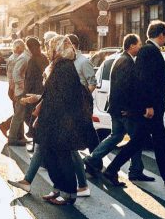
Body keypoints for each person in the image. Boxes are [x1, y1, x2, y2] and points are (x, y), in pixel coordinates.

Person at [103, 21, 165, 187]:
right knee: (148, 141)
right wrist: (149, 105)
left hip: (152, 105)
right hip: (151, 107)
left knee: (152, 141)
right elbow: (145, 80)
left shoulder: (148, 50)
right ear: (161, 35)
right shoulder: (149, 51)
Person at [31, 37, 99, 205]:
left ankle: (68, 193)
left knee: (63, 157)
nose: (48, 49)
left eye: (50, 46)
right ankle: (58, 189)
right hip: (53, 119)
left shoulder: (65, 67)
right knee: (51, 156)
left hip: (61, 121)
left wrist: (47, 115)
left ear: (57, 48)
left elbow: (64, 97)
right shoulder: (58, 66)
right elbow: (51, 94)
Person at [85, 34, 149, 181]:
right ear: (132, 46)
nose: (140, 47)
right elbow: (124, 87)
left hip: (116, 107)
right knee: (135, 140)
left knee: (116, 136)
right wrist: (128, 109)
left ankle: (92, 158)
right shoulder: (127, 62)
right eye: (138, 44)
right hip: (124, 109)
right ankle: (136, 170)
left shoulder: (119, 59)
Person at [8, 36, 46, 145]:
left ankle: (20, 137)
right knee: (19, 115)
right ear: (31, 47)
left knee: (23, 114)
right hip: (22, 92)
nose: (39, 49)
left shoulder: (32, 56)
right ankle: (12, 138)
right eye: (37, 47)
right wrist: (23, 86)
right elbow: (16, 74)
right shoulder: (24, 57)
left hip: (27, 90)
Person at [0, 39, 27, 138]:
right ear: (18, 48)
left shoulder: (14, 57)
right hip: (15, 89)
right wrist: (14, 90)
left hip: (14, 89)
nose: (24, 49)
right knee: (19, 112)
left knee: (18, 112)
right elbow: (12, 77)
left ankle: (20, 136)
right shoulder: (15, 58)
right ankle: (5, 126)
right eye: (23, 47)